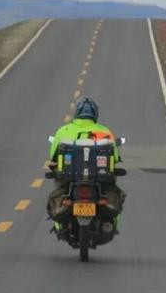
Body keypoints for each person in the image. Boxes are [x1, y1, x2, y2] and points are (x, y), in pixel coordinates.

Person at [47, 96, 126, 235]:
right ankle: (112, 224)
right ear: (95, 113)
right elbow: (115, 157)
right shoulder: (105, 132)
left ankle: (59, 226)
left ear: (77, 112)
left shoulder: (63, 131)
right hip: (100, 180)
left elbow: (53, 155)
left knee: (59, 192)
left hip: (69, 179)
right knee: (114, 195)